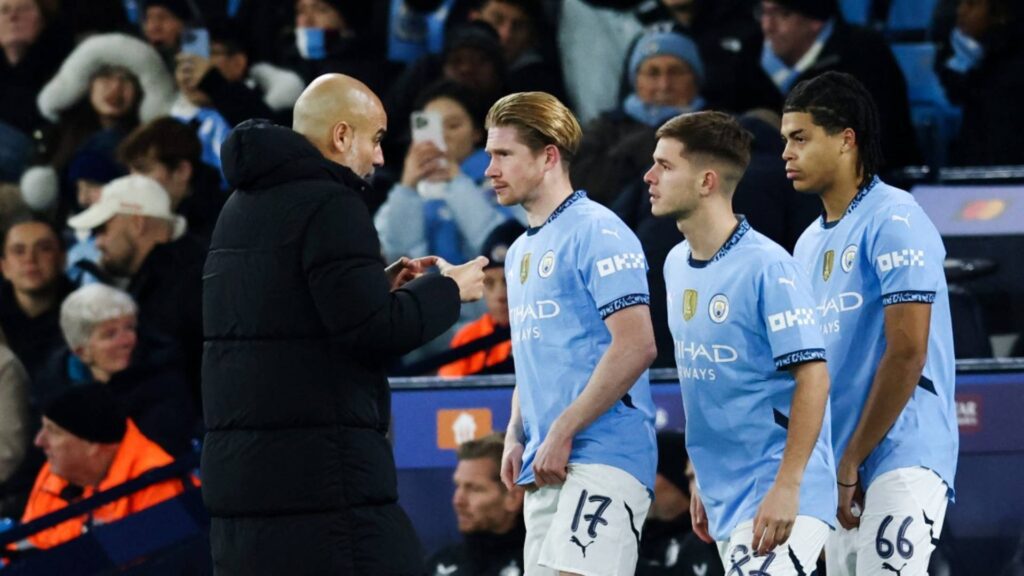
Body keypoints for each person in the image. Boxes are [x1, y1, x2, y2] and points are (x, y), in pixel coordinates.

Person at [201, 73, 487, 575]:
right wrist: (448, 290)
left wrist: (371, 285)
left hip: (249, 495)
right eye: (375, 139)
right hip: (325, 490)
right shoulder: (332, 203)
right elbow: (374, 331)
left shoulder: (237, 208)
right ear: (340, 136)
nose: (380, 158)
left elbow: (282, 314)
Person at [783, 71, 958, 576]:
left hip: (901, 450)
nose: (786, 154)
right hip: (843, 467)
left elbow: (908, 351)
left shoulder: (897, 218)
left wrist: (853, 457)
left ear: (845, 140)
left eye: (800, 138)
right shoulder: (807, 244)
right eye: (784, 141)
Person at [648, 110, 836, 574]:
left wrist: (789, 486)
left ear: (707, 181)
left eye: (665, 166)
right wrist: (701, 477)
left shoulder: (768, 268)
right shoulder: (675, 264)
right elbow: (707, 381)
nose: (649, 177)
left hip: (781, 486)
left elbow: (813, 376)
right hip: (723, 491)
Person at [487, 91, 658, 576]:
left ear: (548, 157)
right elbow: (534, 358)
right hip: (545, 462)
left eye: (503, 155)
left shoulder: (598, 230)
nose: (489, 169)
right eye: (489, 155)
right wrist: (515, 435)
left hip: (604, 453)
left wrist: (562, 429)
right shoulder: (520, 251)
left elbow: (637, 344)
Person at [66, 174, 205, 405]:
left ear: (138, 224)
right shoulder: (171, 273)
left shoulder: (184, 286)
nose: (98, 243)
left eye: (103, 229)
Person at [13, 384, 192, 551]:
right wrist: (84, 531)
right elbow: (25, 545)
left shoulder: (156, 483)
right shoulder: (55, 471)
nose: (39, 441)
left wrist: (86, 534)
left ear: (93, 444)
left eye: (53, 431)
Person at [752, 0, 920, 169]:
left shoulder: (864, 56)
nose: (767, 26)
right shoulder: (751, 58)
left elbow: (874, 144)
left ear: (815, 20)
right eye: (764, 13)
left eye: (783, 14)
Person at [48, 284, 197, 456]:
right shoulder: (54, 387)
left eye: (129, 327)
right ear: (82, 352)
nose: (126, 341)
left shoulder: (162, 381)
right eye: (110, 334)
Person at [572, 29, 709, 207]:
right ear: (636, 81)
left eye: (675, 72)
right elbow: (581, 182)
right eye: (653, 73)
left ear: (695, 79)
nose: (664, 84)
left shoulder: (716, 127)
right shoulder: (606, 127)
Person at [937, 0, 1024, 166]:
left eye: (971, 4)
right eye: (960, 3)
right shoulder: (954, 54)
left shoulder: (1014, 68)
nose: (960, 11)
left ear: (1000, 15)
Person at [427, 432, 526, 576]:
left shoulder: (539, 565)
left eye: (474, 489)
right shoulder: (439, 564)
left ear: (513, 498)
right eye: (458, 486)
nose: (458, 500)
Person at [117, 117, 226, 241]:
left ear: (181, 171)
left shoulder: (226, 224)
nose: (133, 183)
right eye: (130, 173)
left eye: (144, 170)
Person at [439, 219, 524, 377]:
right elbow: (448, 396)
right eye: (489, 283)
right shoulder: (469, 337)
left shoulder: (544, 333)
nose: (500, 295)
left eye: (509, 281)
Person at [637, 431, 724, 576]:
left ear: (675, 479)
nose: (640, 481)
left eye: (648, 472)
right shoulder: (634, 538)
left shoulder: (713, 539)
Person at [0, 217, 73, 384]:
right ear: (4, 267)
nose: (30, 259)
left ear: (62, 259)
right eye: (19, 251)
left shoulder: (86, 314)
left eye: (44, 249)